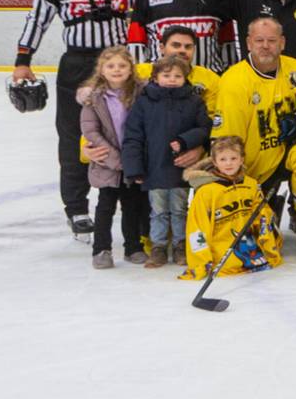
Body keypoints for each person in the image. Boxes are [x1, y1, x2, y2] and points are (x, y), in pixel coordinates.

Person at [10, 0, 221, 238]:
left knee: (127, 135)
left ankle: (130, 204)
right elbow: (38, 17)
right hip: (78, 64)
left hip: (121, 66)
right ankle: (77, 209)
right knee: (73, 138)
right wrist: (24, 59)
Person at [210, 16, 296, 255]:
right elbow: (227, 145)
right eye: (259, 40)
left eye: (272, 40)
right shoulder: (234, 81)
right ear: (248, 43)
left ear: (282, 43)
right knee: (253, 233)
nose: (266, 46)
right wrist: (241, 190)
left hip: (287, 155)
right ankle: (266, 203)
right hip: (253, 166)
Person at [121, 52, 210, 267]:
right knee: (158, 211)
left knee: (179, 209)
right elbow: (133, 136)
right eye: (167, 75)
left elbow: (204, 128)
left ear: (185, 78)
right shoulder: (144, 103)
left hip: (180, 169)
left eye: (177, 76)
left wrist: (185, 141)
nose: (172, 80)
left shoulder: (194, 101)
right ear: (155, 78)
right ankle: (158, 247)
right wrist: (134, 169)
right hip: (154, 169)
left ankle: (180, 246)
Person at [76, 46, 147, 269]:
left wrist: (134, 158)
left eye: (122, 65)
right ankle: (101, 249)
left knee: (132, 206)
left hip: (134, 161)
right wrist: (115, 158)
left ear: (130, 69)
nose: (117, 70)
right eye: (111, 66)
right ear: (102, 70)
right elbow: (91, 131)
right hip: (107, 162)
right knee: (105, 206)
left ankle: (133, 247)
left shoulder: (141, 94)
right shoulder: (93, 99)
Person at [182, 136, 282, 280]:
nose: (229, 163)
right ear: (215, 162)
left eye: (233, 158)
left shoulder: (251, 184)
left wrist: (263, 221)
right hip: (220, 248)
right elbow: (196, 228)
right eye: (223, 159)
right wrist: (201, 261)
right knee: (228, 265)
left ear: (241, 160)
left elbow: (263, 213)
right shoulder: (206, 192)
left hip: (247, 246)